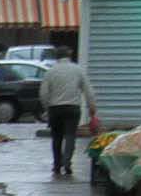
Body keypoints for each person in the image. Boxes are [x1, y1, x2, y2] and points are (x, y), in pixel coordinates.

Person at [40, 46, 98, 176]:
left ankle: (56, 164)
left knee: (57, 137)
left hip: (55, 108)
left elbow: (43, 93)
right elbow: (88, 90)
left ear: (57, 57)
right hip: (73, 108)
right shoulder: (78, 70)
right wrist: (92, 107)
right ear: (69, 56)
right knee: (70, 136)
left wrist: (46, 108)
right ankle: (67, 162)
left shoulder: (50, 72)